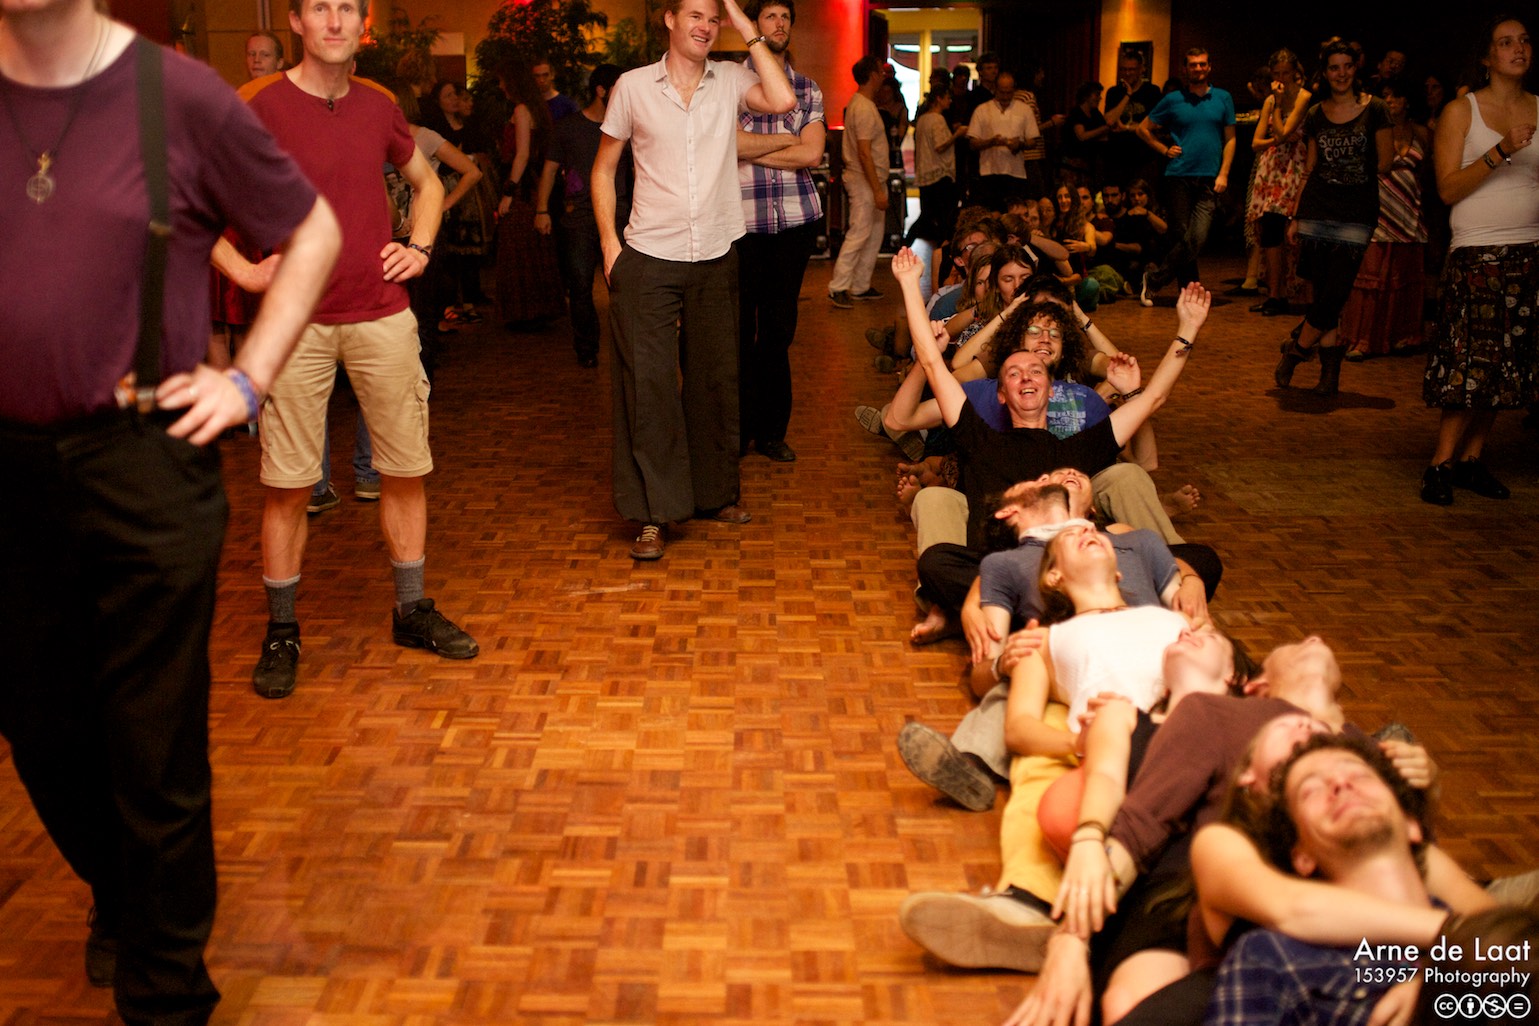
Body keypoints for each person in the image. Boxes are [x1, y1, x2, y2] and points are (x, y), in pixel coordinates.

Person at [1, 0, 340, 1020]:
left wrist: (248, 379)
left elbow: (313, 231)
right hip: (9, 472)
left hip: (145, 461)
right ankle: (124, 889)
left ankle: (167, 992)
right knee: (43, 730)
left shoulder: (176, 96)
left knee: (153, 744)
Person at [227, 0, 479, 700]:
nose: (334, 21)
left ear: (360, 24)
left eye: (346, 8)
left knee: (405, 469)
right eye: (320, 7)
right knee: (288, 485)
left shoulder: (377, 105)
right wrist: (245, 271)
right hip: (295, 324)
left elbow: (428, 184)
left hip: (382, 315)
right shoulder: (262, 107)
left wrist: (419, 246)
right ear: (298, 23)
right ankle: (282, 629)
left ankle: (411, 610)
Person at [592, 0, 795, 561]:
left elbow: (783, 100)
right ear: (670, 20)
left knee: (714, 380)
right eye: (695, 16)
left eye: (713, 18)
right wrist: (609, 244)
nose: (706, 27)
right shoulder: (633, 87)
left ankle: (713, 494)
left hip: (716, 254)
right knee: (650, 387)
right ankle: (654, 512)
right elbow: (604, 168)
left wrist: (746, 27)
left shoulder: (730, 79)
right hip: (649, 257)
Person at [1420, 16, 1539, 506]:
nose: (1518, 48)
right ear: (1487, 57)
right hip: (1477, 252)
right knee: (1470, 361)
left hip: (1528, 249)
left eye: (1524, 40)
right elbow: (1448, 189)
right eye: (1506, 42)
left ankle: (1471, 459)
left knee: (1507, 365)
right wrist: (1501, 150)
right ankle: (1439, 464)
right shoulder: (1461, 111)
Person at [1272, 39, 1393, 397]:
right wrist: (1296, 216)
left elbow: (1385, 162)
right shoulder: (1315, 113)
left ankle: (1297, 349)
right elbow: (1310, 169)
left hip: (1357, 212)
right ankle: (1329, 377)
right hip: (1318, 209)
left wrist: (1355, 164)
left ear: (1356, 68)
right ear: (1325, 73)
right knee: (1325, 295)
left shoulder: (1377, 109)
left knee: (1337, 292)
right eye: (1334, 67)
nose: (1341, 74)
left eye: (1347, 66)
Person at [735, 0, 825, 463]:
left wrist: (750, 148)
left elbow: (812, 155)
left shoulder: (807, 88)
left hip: (793, 225)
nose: (780, 24)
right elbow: (725, 146)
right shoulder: (729, 84)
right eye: (770, 16)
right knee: (736, 332)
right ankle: (738, 431)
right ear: (754, 26)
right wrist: (788, 140)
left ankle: (771, 432)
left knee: (777, 333)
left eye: (785, 17)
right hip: (740, 227)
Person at [535, 63, 629, 369]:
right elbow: (550, 170)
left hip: (620, 215)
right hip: (579, 218)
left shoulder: (627, 126)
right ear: (601, 91)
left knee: (623, 285)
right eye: (618, 89)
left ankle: (626, 348)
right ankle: (586, 348)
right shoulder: (568, 128)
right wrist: (542, 209)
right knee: (579, 286)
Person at [1339, 79, 1431, 359]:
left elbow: (1428, 173)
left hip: (1408, 210)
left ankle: (1402, 335)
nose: (1390, 101)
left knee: (1402, 276)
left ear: (1408, 101)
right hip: (1376, 208)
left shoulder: (1422, 133)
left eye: (1396, 96)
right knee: (1371, 275)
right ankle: (1363, 338)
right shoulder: (1372, 130)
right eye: (1386, 96)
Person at [1136, 48, 1236, 305]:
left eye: (1202, 64)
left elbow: (1231, 139)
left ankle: (1154, 279)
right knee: (1181, 236)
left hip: (1209, 178)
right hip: (1178, 175)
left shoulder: (1223, 97)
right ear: (1185, 69)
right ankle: (1189, 292)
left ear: (1209, 67)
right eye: (1193, 65)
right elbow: (1143, 129)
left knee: (1197, 238)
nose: (1198, 69)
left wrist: (1224, 173)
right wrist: (1163, 149)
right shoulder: (1173, 99)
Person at [494, 57, 565, 326]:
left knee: (519, 245)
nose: (500, 86)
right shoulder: (533, 108)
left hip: (523, 187)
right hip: (530, 184)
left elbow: (522, 154)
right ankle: (534, 308)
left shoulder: (523, 110)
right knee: (531, 245)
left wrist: (509, 192)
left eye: (502, 81)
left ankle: (525, 311)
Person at [1243, 49, 1311, 318]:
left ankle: (1296, 291)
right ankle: (1274, 294)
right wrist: (1277, 138)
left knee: (1291, 230)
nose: (1281, 78)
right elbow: (1256, 142)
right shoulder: (1270, 100)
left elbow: (1284, 131)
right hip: (1271, 169)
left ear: (1295, 72)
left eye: (1286, 73)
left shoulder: (1303, 97)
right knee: (1270, 229)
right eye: (1277, 73)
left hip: (1294, 168)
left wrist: (1280, 108)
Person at [828, 55, 889, 309]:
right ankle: (838, 286)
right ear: (873, 75)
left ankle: (860, 285)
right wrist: (877, 190)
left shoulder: (862, 104)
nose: (884, 76)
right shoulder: (863, 107)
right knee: (859, 233)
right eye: (881, 72)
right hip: (864, 180)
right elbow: (864, 152)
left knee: (873, 234)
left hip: (869, 179)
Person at [967, 69, 1041, 213]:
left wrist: (1020, 144)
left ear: (1014, 90)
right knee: (991, 213)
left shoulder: (1024, 110)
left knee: (1014, 214)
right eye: (1002, 92)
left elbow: (1033, 141)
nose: (1006, 96)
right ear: (995, 89)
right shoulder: (982, 110)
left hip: (1016, 172)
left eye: (1009, 92)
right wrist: (991, 142)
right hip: (989, 173)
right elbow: (972, 143)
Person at [908, 87, 966, 245]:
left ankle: (906, 244)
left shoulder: (922, 119)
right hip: (939, 173)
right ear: (939, 99)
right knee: (942, 217)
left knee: (928, 215)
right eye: (947, 97)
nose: (950, 101)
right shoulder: (937, 119)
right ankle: (943, 249)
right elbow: (940, 146)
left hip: (925, 172)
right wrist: (957, 134)